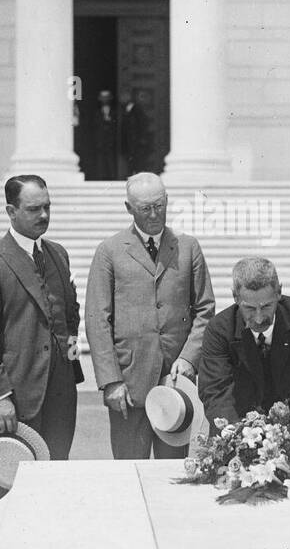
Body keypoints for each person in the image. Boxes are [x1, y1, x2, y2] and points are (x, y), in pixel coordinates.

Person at [0, 175, 80, 503]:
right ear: (10, 211)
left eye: (47, 207)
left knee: (56, 476)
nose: (43, 215)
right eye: (33, 209)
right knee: (10, 484)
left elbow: (70, 315)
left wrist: (69, 364)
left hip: (60, 392)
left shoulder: (58, 254)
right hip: (16, 397)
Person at [85, 172, 215, 459]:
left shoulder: (188, 247)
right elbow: (97, 319)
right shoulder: (109, 251)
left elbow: (205, 308)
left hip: (175, 384)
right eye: (145, 208)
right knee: (129, 473)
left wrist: (188, 358)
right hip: (128, 387)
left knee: (172, 475)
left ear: (167, 201)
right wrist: (111, 381)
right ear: (128, 208)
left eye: (160, 205)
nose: (155, 214)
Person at [199, 256, 290, 425]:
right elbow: (215, 392)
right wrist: (236, 435)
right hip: (239, 424)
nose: (259, 318)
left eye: (266, 306)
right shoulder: (218, 328)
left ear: (279, 292)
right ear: (235, 297)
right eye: (249, 308)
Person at [119, 89, 150, 176]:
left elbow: (142, 124)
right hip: (129, 142)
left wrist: (141, 138)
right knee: (130, 160)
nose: (121, 98)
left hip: (136, 141)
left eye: (124, 96)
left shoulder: (137, 109)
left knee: (137, 161)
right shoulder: (125, 109)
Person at [93, 89, 119, 180]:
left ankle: (112, 177)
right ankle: (100, 177)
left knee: (111, 159)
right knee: (100, 160)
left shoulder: (115, 111)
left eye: (106, 98)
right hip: (100, 140)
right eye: (103, 98)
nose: (105, 100)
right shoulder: (96, 111)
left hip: (111, 140)